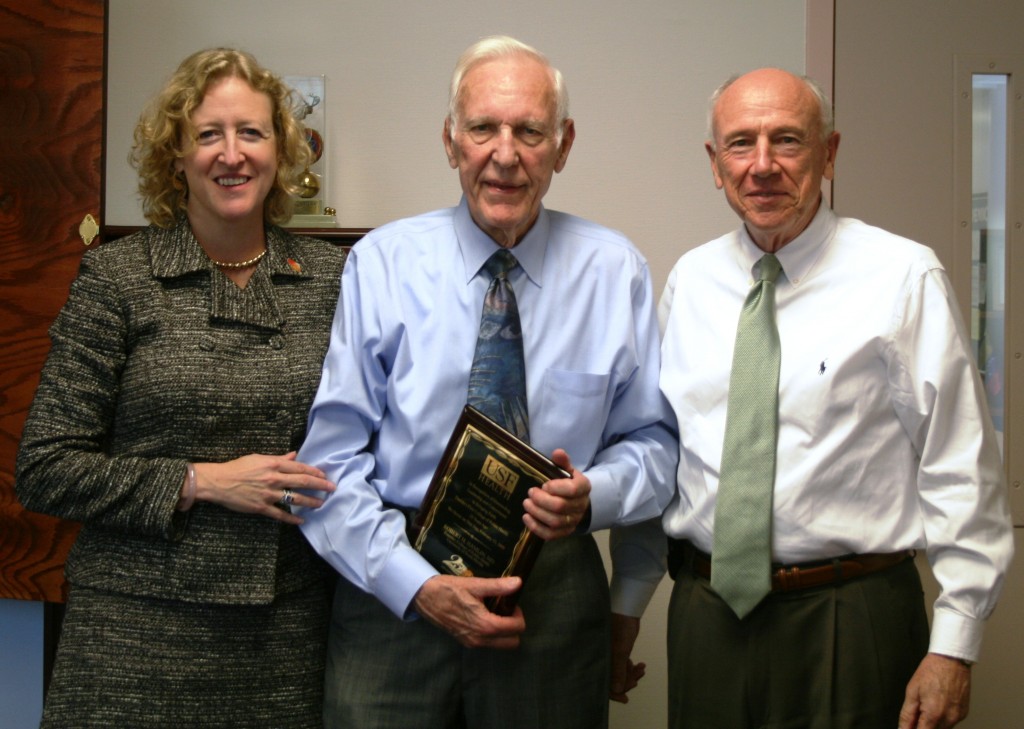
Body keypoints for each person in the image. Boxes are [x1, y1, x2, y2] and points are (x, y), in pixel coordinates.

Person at [610, 68, 1014, 728]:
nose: (762, 165)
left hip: (850, 614)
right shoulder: (691, 281)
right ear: (715, 164)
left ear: (829, 153)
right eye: (741, 143)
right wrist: (627, 602)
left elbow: (960, 464)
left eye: (788, 141)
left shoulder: (902, 276)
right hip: (708, 611)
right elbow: (666, 453)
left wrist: (955, 645)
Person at [297, 35, 676, 729]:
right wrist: (417, 584)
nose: (505, 153)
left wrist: (594, 497)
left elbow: (654, 445)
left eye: (530, 130)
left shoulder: (614, 270)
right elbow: (328, 463)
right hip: (393, 584)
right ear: (450, 141)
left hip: (554, 583)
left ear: (563, 145)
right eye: (482, 128)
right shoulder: (382, 262)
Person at [15, 48, 346, 727]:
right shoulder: (117, 279)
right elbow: (46, 469)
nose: (232, 154)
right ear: (175, 156)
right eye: (208, 134)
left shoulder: (331, 278)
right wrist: (203, 481)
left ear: (281, 150)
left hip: (284, 635)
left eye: (251, 132)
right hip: (132, 634)